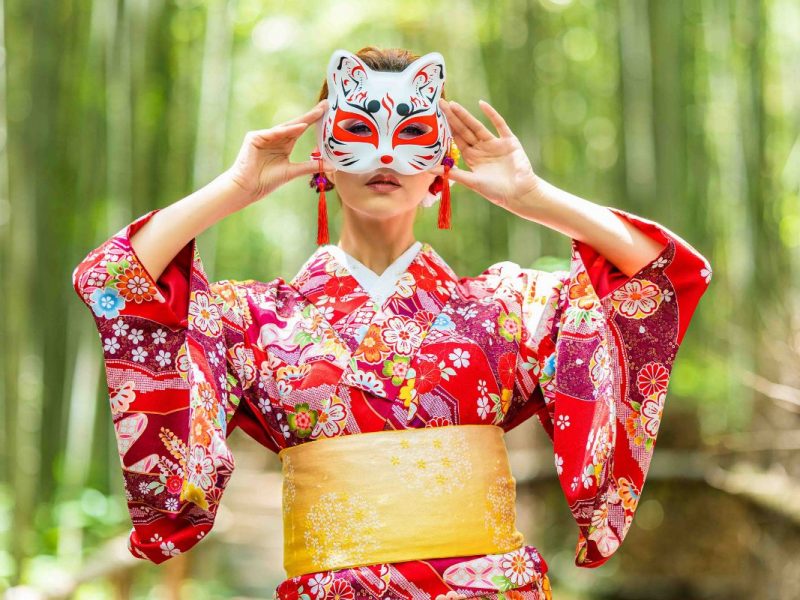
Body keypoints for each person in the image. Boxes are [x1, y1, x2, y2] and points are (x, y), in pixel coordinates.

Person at [71, 46, 712, 600]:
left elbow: (659, 278)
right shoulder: (253, 319)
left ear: (443, 163)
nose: (385, 153)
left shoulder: (510, 305)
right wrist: (234, 188)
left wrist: (532, 196)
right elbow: (110, 284)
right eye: (356, 130)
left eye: (413, 135)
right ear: (321, 154)